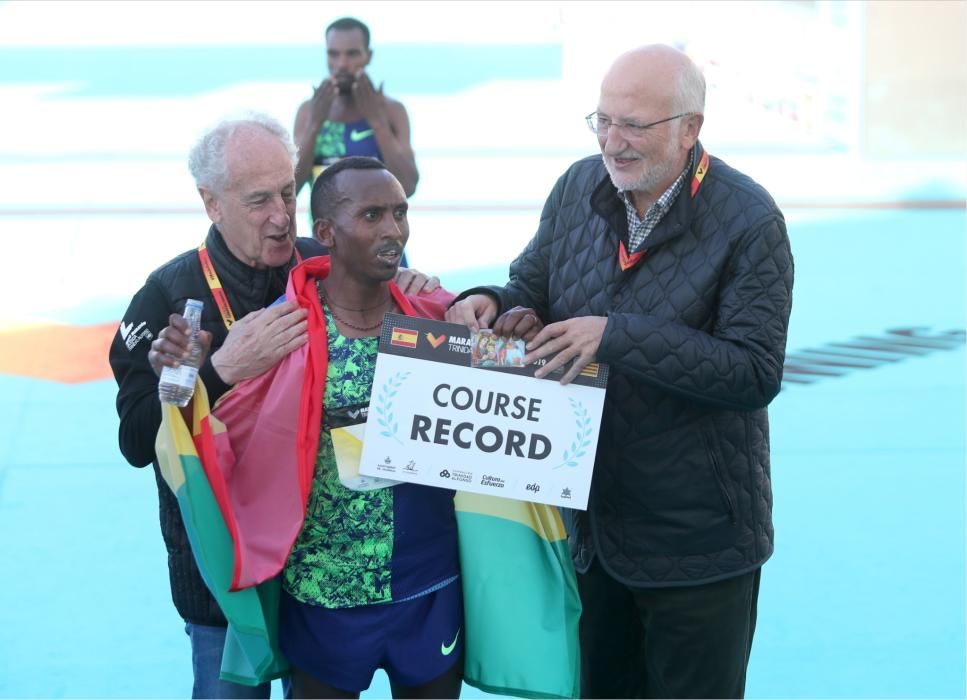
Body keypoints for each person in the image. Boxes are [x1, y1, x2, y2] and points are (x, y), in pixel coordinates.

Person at [446, 44, 794, 699]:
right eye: (601, 121)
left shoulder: (749, 221)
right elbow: (533, 283)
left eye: (634, 124)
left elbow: (752, 372)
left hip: (697, 543)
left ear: (689, 129)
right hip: (590, 531)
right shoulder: (579, 185)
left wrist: (616, 337)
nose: (613, 140)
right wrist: (498, 303)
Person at [109, 116, 436, 699]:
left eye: (288, 191)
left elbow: (423, 338)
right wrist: (218, 373)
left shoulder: (335, 262)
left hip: (323, 577)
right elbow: (138, 442)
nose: (283, 215)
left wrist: (453, 302)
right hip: (227, 587)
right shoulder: (166, 297)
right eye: (259, 200)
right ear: (211, 203)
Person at [293, 17, 418, 199]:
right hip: (325, 228)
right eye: (333, 54)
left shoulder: (392, 111)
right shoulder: (308, 112)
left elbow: (408, 186)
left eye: (352, 54)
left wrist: (376, 121)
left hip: (381, 227)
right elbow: (290, 190)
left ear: (368, 56)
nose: (342, 64)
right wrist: (314, 125)